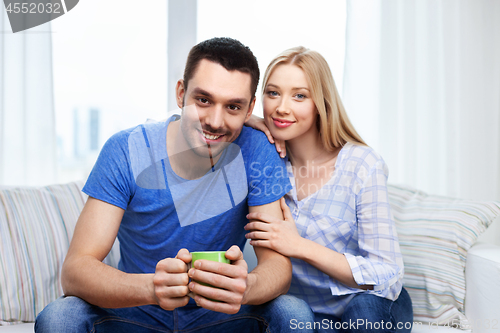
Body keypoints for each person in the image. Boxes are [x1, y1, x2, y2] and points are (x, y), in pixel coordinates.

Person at [35, 38, 315, 333]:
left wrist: (247, 288)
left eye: (233, 106)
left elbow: (278, 267)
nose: (215, 121)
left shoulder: (258, 149)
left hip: (220, 316)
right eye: (203, 100)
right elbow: (76, 270)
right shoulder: (127, 149)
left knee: (293, 312)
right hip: (135, 312)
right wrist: (151, 288)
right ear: (181, 93)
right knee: (60, 317)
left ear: (249, 110)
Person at [245, 47, 413, 332]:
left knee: (364, 311)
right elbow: (188, 119)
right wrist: (242, 120)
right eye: (273, 93)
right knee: (287, 311)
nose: (281, 107)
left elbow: (387, 273)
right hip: (308, 311)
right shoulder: (263, 163)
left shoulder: (362, 164)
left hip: (370, 303)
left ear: (321, 102)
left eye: (299, 95)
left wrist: (300, 246)